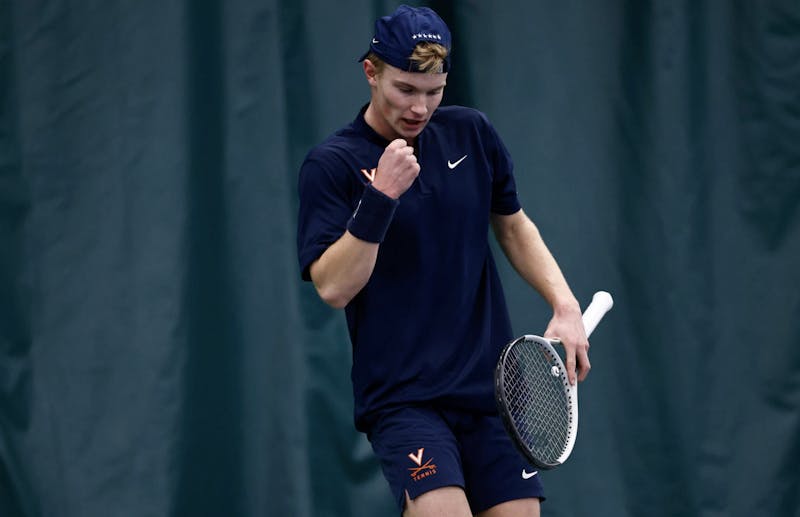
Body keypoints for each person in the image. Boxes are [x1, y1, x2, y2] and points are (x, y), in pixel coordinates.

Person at [296, 5, 590, 516]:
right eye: (405, 90)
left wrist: (564, 304)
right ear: (372, 72)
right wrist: (380, 199)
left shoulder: (472, 134)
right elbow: (333, 287)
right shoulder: (333, 164)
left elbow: (514, 225)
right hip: (406, 399)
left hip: (493, 394)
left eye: (434, 92)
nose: (420, 107)